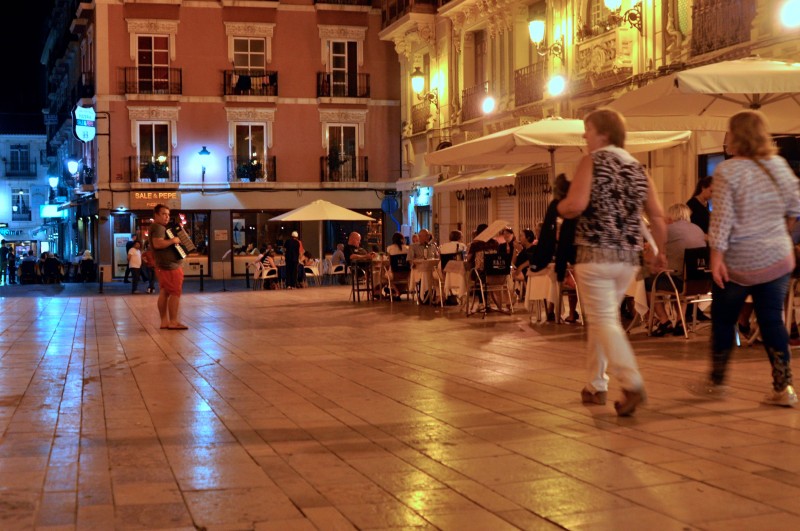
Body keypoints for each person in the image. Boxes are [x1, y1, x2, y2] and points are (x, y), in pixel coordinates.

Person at [557, 108, 667, 417]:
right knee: (602, 320)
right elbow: (657, 216)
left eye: (588, 130)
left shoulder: (592, 161)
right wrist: (660, 251)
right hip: (627, 259)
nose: (584, 135)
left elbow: (576, 205)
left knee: (604, 319)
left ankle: (631, 382)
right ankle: (595, 384)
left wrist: (560, 206)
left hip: (595, 254)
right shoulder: (638, 169)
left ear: (603, 134)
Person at [691, 110, 800, 406]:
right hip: (777, 258)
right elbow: (795, 207)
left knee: (724, 320)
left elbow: (722, 219)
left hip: (739, 263)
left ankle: (716, 381)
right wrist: (778, 234)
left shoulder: (729, 171)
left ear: (735, 136)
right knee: (772, 320)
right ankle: (784, 388)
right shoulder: (779, 165)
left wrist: (716, 257)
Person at [648, 203, 707, 337]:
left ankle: (664, 320)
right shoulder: (698, 229)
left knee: (647, 278)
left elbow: (653, 252)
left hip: (680, 282)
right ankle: (680, 321)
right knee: (678, 277)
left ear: (671, 215)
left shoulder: (669, 230)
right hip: (700, 282)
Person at [148, 204, 188, 330]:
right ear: (156, 215)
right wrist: (173, 240)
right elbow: (158, 244)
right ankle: (173, 321)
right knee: (175, 293)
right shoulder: (159, 227)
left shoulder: (155, 227)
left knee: (164, 293)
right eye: (164, 214)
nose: (167, 217)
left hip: (162, 265)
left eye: (168, 214)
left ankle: (164, 321)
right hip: (170, 266)